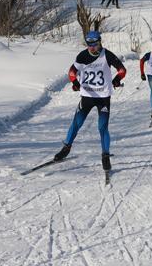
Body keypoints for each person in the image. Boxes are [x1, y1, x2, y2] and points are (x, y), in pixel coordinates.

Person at [54, 31, 126, 173]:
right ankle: (66, 148)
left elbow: (122, 70)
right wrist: (75, 82)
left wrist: (117, 80)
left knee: (102, 127)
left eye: (94, 44)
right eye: (89, 44)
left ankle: (105, 155)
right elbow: (71, 71)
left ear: (99, 42)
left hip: (103, 97)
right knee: (76, 124)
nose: (91, 47)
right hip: (87, 96)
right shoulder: (82, 56)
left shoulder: (107, 55)